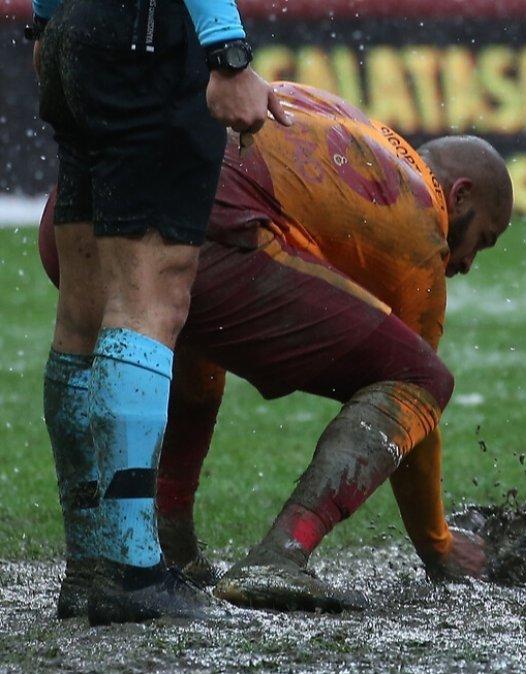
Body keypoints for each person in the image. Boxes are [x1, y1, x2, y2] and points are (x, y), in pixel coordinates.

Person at [40, 82, 514, 613]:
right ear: (460, 194)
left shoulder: (345, 120)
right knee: (424, 381)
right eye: (483, 241)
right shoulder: (421, 221)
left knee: (199, 339)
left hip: (80, 208)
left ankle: (164, 539)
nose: (468, 263)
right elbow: (415, 410)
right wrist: (438, 544)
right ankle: (279, 556)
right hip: (187, 227)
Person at [28, 0, 291, 624]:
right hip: (146, 36)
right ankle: (131, 571)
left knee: (82, 315)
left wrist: (46, 19)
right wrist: (227, 52)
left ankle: (91, 564)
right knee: (150, 297)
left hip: (79, 34)